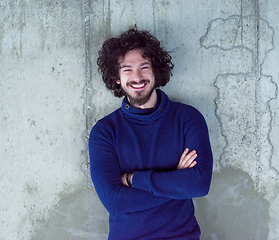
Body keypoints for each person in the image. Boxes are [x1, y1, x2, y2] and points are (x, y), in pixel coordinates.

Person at [89, 27, 213, 240]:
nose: (137, 77)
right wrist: (175, 180)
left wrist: (133, 179)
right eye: (127, 69)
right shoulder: (104, 131)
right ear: (116, 77)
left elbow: (199, 184)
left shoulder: (188, 119)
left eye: (144, 67)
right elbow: (115, 202)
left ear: (155, 70)